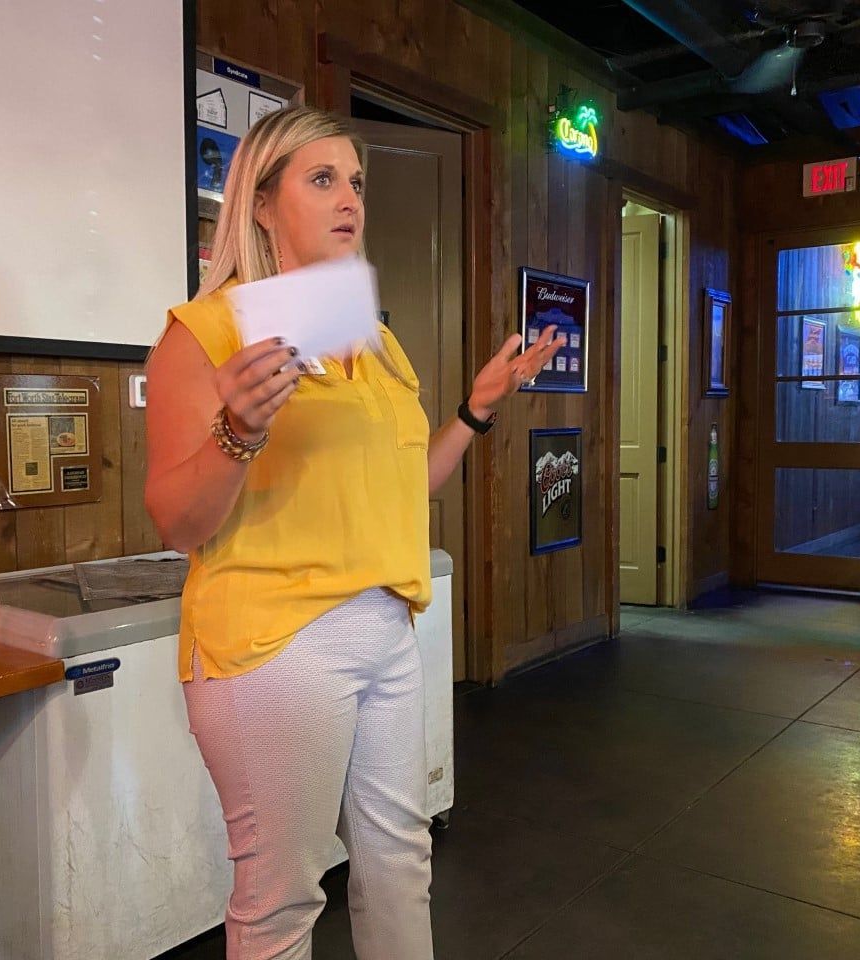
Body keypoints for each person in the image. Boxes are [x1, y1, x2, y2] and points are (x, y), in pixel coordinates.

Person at [144, 105, 562, 960]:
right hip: (274, 645)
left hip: (386, 628)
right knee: (282, 902)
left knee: (400, 861)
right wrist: (238, 432)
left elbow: (401, 489)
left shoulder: (371, 339)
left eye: (357, 183)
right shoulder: (205, 331)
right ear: (261, 204)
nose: (350, 200)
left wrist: (475, 412)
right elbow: (177, 519)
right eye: (322, 178)